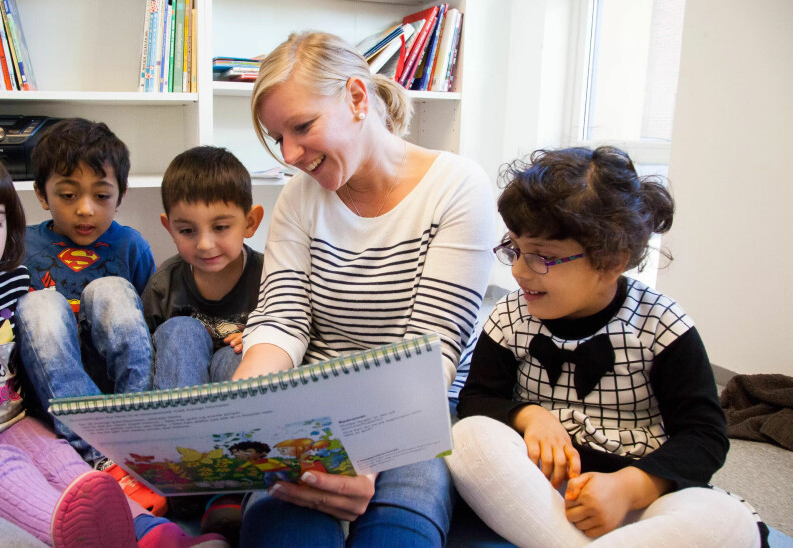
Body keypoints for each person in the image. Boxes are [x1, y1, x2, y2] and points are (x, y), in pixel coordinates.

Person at [0, 140, 227, 548]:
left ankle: (160, 537)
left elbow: (37, 361)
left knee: (62, 460)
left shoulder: (11, 282)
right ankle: (74, 532)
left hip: (11, 421)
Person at [234, 31, 496, 547]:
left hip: (420, 405)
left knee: (400, 532)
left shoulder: (459, 188)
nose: (290, 153)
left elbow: (433, 352)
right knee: (280, 529)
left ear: (357, 97)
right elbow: (282, 320)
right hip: (314, 403)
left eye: (302, 127)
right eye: (277, 137)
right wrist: (243, 404)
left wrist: (365, 458)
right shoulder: (298, 197)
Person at [446, 146, 763, 547]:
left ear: (611, 263)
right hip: (536, 492)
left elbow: (704, 435)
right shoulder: (511, 317)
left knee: (727, 521)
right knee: (467, 437)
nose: (519, 270)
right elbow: (477, 399)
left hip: (640, 498)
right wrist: (529, 416)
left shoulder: (661, 324)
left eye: (543, 257)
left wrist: (631, 486)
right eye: (514, 249)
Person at [15, 118, 155, 467]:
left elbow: (148, 322)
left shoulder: (130, 245)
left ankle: (138, 431)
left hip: (116, 389)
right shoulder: (21, 245)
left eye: (102, 195)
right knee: (40, 303)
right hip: (53, 390)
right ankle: (99, 450)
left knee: (111, 290)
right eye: (68, 195)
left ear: (121, 196)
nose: (85, 209)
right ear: (41, 195)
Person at [142, 145, 264, 390]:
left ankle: (237, 428)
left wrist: (262, 337)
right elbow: (144, 354)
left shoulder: (270, 275)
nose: (205, 245)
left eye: (220, 227)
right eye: (187, 231)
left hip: (235, 379)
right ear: (170, 229)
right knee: (180, 330)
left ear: (250, 223)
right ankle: (179, 424)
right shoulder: (162, 286)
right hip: (181, 387)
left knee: (241, 352)